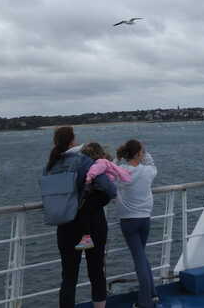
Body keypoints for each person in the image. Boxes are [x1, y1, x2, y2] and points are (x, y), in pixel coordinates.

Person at [44, 127, 116, 308]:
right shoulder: (83, 161)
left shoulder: (50, 166)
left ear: (56, 142)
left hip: (65, 225)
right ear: (72, 141)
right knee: (96, 271)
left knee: (69, 277)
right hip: (92, 224)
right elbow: (109, 188)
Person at [116, 139, 159, 308]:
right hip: (144, 219)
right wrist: (144, 152)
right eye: (141, 151)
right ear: (138, 154)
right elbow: (151, 163)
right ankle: (152, 294)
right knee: (142, 256)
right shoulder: (148, 171)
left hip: (128, 220)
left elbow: (109, 172)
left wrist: (118, 157)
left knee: (139, 258)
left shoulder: (121, 171)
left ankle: (145, 301)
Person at [75, 142, 132, 251]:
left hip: (102, 193)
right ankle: (87, 237)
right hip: (104, 194)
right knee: (88, 210)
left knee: (83, 210)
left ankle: (86, 238)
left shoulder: (99, 163)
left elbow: (95, 171)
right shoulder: (105, 162)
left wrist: (88, 178)